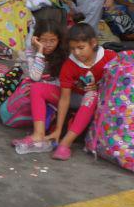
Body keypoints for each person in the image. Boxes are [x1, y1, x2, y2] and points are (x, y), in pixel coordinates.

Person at [16, 23, 117, 161]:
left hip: (96, 100)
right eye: (73, 48)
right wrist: (58, 129)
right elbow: (64, 98)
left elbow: (119, 83)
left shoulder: (110, 58)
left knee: (91, 95)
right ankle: (38, 135)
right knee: (36, 87)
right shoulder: (69, 65)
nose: (76, 52)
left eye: (81, 48)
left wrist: (99, 89)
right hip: (73, 97)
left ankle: (65, 143)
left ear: (93, 43)